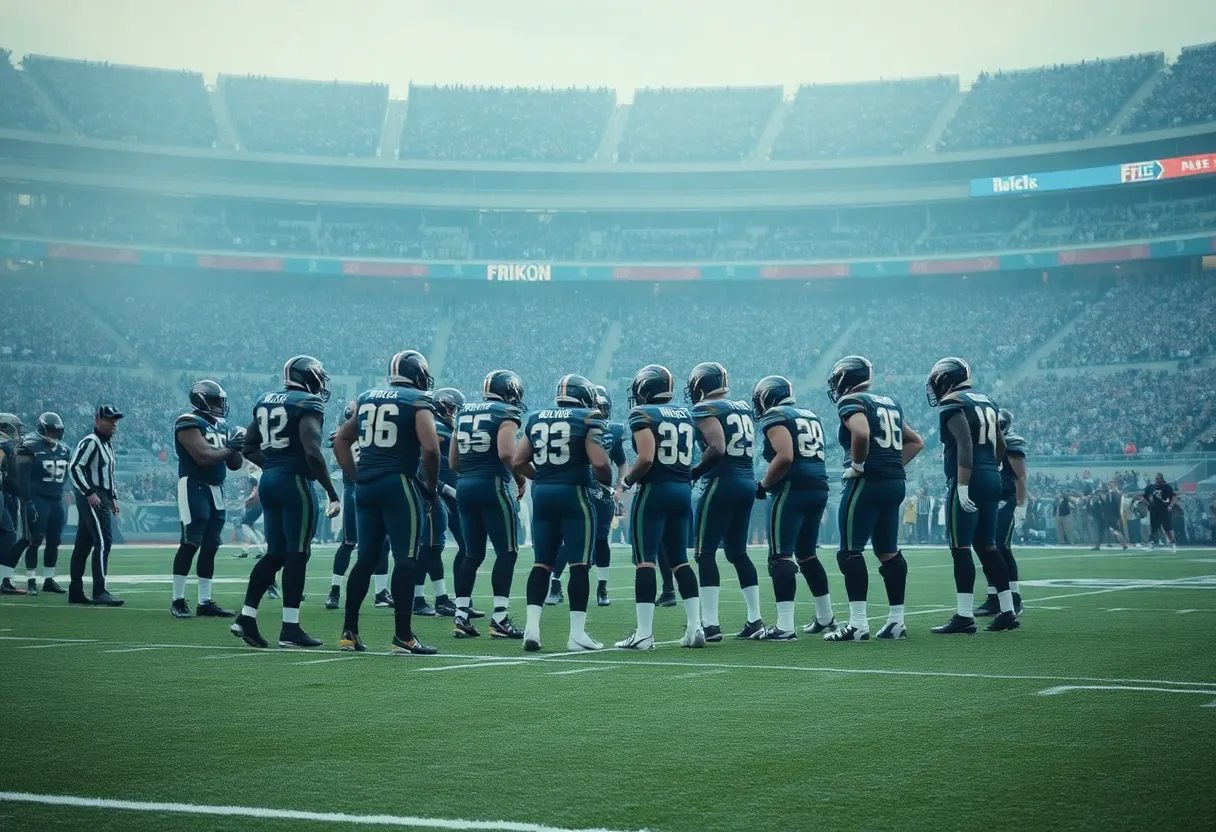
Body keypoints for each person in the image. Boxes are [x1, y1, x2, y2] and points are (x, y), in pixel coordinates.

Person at [331, 350, 440, 655]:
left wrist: (356, 476)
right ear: (417, 374)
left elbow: (341, 439)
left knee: (366, 558)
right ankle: (403, 636)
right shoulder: (416, 400)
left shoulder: (367, 397)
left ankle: (349, 633)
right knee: (405, 557)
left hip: (366, 487)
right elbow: (431, 449)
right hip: (398, 484)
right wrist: (430, 488)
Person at [232, 356, 341, 649]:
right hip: (293, 482)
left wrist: (274, 467)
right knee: (297, 554)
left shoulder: (265, 399)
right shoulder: (308, 403)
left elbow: (248, 446)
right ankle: (290, 628)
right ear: (309, 377)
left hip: (270, 479)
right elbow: (312, 450)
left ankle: (246, 617)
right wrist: (331, 491)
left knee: (275, 554)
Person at [823, 356, 924, 642]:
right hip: (894, 484)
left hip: (867, 484)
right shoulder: (889, 402)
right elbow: (916, 441)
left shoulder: (853, 401)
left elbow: (862, 432)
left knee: (850, 552)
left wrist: (858, 465)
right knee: (887, 551)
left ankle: (857, 624)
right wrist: (891, 465)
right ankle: (896, 621)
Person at [511, 373, 612, 652]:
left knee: (542, 562)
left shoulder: (536, 417)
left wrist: (543, 476)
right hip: (574, 493)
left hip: (542, 493)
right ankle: (576, 635)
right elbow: (601, 464)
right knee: (579, 563)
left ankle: (532, 628)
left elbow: (518, 461)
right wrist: (604, 481)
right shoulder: (588, 417)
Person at [925, 357, 1018, 634]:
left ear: (945, 378)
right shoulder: (987, 400)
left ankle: (964, 615)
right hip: (991, 475)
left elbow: (965, 442)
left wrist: (963, 484)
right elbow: (1000, 443)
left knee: (961, 547)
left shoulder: (953, 402)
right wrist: (993, 468)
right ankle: (1008, 611)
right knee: (988, 547)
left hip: (969, 476)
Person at [616, 364, 704, 650]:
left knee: (646, 560)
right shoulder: (686, 415)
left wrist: (626, 483)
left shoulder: (642, 413)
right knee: (680, 560)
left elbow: (645, 458)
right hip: (682, 489)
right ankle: (695, 627)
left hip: (655, 490)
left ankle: (644, 633)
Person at [752, 375, 836, 641]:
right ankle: (825, 617)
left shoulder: (775, 415)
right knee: (807, 554)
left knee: (780, 556)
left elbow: (785, 455)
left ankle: (785, 624)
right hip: (818, 485)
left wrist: (764, 484)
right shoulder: (810, 415)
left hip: (792, 488)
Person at [686, 362, 764, 640]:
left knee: (704, 553)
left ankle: (710, 623)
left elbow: (717, 447)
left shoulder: (706, 409)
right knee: (737, 552)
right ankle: (755, 619)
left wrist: (695, 472)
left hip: (722, 481)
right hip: (746, 481)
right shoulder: (742, 406)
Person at [450, 369, 527, 639]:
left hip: (465, 485)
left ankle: (460, 615)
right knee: (506, 552)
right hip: (492, 484)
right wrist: (520, 478)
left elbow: (454, 462)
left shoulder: (464, 412)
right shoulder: (505, 413)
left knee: (472, 554)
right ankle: (500, 619)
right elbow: (508, 453)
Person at [169, 381, 245, 618]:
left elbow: (235, 464)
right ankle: (178, 600)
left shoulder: (221, 426)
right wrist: (230, 447)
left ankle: (205, 601)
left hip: (216, 488)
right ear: (200, 401)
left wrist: (236, 446)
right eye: (213, 402)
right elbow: (203, 457)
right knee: (191, 542)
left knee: (211, 545)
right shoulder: (188, 422)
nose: (219, 407)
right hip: (193, 485)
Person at [325, 402, 392, 611]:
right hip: (367, 490)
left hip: (354, 490)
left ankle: (336, 591)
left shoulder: (342, 437)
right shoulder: (371, 433)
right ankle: (378, 593)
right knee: (370, 543)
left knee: (350, 542)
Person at [66, 406, 124, 606]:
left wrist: (113, 496)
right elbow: (74, 466)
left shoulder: (107, 445)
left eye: (115, 421)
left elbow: (110, 475)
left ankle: (75, 592)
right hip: (93, 494)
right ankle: (99, 591)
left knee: (84, 544)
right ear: (97, 420)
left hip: (102, 494)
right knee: (103, 541)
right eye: (109, 420)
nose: (113, 424)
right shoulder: (91, 441)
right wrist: (89, 492)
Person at [413, 387, 464, 617]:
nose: (454, 413)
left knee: (457, 544)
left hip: (448, 492)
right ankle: (425, 597)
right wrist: (443, 488)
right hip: (434, 492)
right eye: (452, 408)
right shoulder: (433, 426)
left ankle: (456, 598)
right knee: (430, 545)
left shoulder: (446, 426)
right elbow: (424, 462)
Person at [15, 413, 70, 594]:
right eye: (52, 431)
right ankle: (31, 580)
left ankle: (49, 579)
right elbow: (22, 478)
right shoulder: (30, 446)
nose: (55, 435)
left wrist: (64, 491)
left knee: (54, 540)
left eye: (57, 431)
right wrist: (27, 501)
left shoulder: (64, 449)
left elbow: (66, 475)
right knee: (35, 540)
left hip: (56, 499)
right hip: (38, 498)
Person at [978, 408, 1025, 617]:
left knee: (1001, 547)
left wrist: (1022, 507)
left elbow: (1021, 477)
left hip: (1006, 500)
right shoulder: (987, 442)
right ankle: (994, 597)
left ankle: (1014, 597)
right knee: (988, 548)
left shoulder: (1012, 444)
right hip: (990, 499)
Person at [0, 413, 25, 595]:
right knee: (8, 534)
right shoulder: (4, 445)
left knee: (8, 533)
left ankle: (4, 581)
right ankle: (4, 581)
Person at [1141, 473, 1177, 551]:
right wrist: (1148, 504)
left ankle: (1173, 543)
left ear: (1162, 479)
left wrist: (1170, 506)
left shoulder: (1167, 487)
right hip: (1154, 511)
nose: (1158, 480)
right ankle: (1154, 543)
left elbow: (1174, 497)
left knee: (1168, 528)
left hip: (1164, 510)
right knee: (1154, 528)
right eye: (1157, 478)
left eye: (1159, 478)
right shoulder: (1151, 487)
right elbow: (1144, 498)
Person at [238, 465, 267, 559]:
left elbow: (255, 491)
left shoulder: (252, 478)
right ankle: (246, 549)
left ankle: (259, 549)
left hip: (255, 504)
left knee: (245, 525)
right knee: (249, 526)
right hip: (257, 504)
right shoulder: (258, 477)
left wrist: (248, 499)